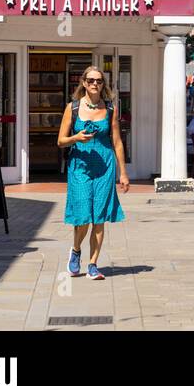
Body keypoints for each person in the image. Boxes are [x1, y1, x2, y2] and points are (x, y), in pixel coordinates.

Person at [59, 67, 130, 280]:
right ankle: (76, 250)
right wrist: (75, 138)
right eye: (90, 80)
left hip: (104, 167)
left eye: (99, 81)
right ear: (83, 82)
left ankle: (92, 264)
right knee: (82, 216)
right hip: (80, 166)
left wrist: (123, 173)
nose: (94, 84)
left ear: (103, 84)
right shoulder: (72, 108)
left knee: (98, 217)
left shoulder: (110, 109)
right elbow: (61, 140)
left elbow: (117, 142)